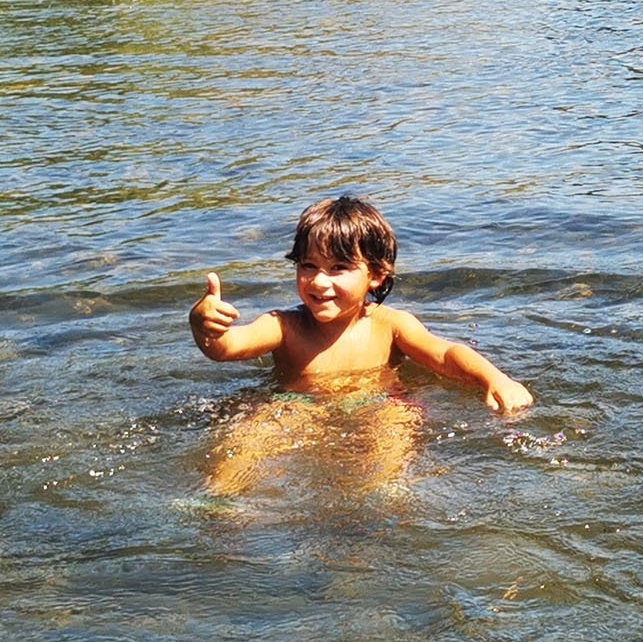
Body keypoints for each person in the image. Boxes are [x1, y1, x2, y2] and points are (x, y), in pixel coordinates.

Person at [187, 195, 531, 498]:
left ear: (377, 275)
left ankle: (385, 489)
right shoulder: (284, 326)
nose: (320, 281)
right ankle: (219, 497)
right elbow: (227, 348)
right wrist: (204, 325)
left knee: (397, 416)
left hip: (377, 403)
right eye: (308, 266)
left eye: (339, 268)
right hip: (298, 405)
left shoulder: (390, 325)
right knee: (256, 427)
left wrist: (495, 379)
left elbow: (445, 355)